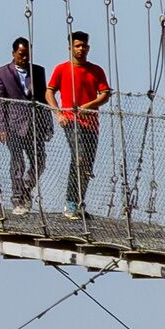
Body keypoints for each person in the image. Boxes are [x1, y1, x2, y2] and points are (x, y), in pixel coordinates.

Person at [49, 29, 112, 216]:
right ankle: (70, 201)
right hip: (70, 120)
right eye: (77, 46)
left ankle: (78, 201)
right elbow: (49, 91)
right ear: (70, 48)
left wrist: (89, 106)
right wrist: (58, 113)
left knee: (87, 165)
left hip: (91, 124)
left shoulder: (96, 70)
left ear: (89, 47)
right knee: (79, 157)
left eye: (84, 46)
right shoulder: (61, 69)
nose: (81, 49)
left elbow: (105, 94)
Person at [0, 36, 50, 211]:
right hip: (13, 125)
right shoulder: (1, 73)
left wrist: (47, 124)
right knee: (17, 163)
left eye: (27, 55)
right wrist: (2, 127)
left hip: (34, 125)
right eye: (21, 54)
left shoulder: (38, 71)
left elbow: (43, 100)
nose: (25, 58)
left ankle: (25, 189)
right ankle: (17, 199)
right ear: (14, 53)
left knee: (40, 161)